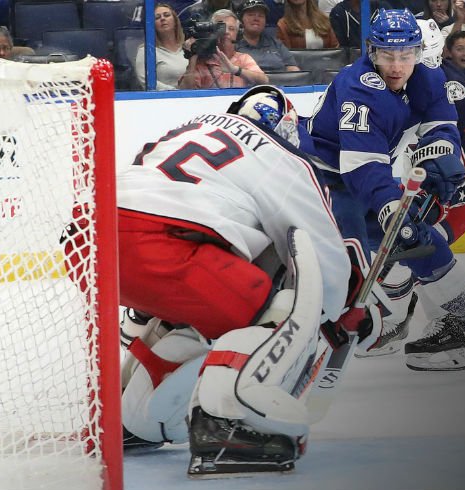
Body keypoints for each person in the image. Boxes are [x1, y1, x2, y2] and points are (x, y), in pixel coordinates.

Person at [115, 85, 357, 474]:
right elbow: (323, 255)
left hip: (95, 241)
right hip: (159, 243)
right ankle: (226, 424)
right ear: (288, 128)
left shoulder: (190, 126)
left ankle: (133, 417)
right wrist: (333, 314)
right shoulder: (281, 156)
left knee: (197, 308)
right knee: (276, 307)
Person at [305, 9, 465, 373]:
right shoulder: (359, 88)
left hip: (360, 178)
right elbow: (362, 168)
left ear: (418, 52)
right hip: (321, 180)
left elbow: (443, 129)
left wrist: (440, 158)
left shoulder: (430, 77)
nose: (397, 65)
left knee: (420, 241)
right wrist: (388, 203)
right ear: (372, 51)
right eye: (387, 55)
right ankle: (300, 348)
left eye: (406, 55)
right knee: (345, 269)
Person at [178, 9, 269, 89]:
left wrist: (235, 70)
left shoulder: (243, 58)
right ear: (211, 32)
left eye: (231, 28)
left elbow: (264, 80)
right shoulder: (201, 61)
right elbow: (185, 91)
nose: (226, 32)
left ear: (238, 34)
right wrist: (193, 57)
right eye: (220, 28)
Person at [135, 2, 188, 89]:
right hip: (163, 99)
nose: (163, 19)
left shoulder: (187, 47)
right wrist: (176, 92)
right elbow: (145, 80)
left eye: (167, 15)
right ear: (152, 25)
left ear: (175, 21)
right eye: (157, 18)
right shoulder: (146, 51)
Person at [236, 0, 301, 72]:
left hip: (280, 82)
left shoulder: (276, 44)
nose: (256, 19)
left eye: (261, 16)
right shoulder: (234, 45)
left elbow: (292, 67)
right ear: (241, 20)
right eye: (251, 14)